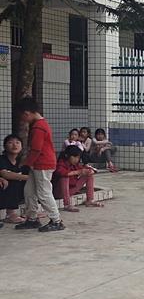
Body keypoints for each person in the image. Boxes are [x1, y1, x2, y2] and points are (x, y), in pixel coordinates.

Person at [14, 97, 65, 232]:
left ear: (26, 113)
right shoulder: (40, 124)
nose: (23, 120)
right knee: (29, 191)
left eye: (23, 117)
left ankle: (56, 220)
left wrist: (26, 164)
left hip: (43, 163)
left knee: (44, 193)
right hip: (38, 164)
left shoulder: (38, 127)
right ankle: (32, 218)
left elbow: (36, 149)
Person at [54, 145, 104, 212]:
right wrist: (78, 172)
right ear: (67, 155)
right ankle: (67, 205)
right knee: (64, 177)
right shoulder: (61, 163)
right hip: (59, 192)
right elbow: (62, 173)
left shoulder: (75, 164)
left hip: (70, 190)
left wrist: (89, 170)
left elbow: (82, 169)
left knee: (88, 175)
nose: (76, 159)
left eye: (78, 157)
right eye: (74, 157)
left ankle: (90, 200)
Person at [0, 134, 29, 224]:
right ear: (5, 146)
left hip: (14, 192)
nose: (14, 145)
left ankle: (30, 211)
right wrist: (27, 178)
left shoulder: (21, 162)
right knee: (13, 181)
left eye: (17, 142)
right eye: (10, 142)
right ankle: (10, 214)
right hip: (3, 188)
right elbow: (4, 174)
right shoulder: (2, 159)